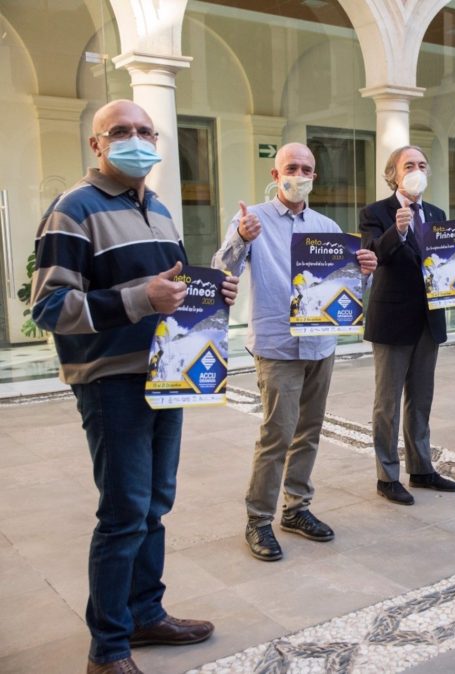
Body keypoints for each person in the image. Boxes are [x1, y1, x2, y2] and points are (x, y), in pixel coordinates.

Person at [31, 100, 238, 674]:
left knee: (153, 506)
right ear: (97, 145)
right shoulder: (73, 209)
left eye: (145, 131)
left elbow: (170, 287)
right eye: (120, 131)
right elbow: (48, 307)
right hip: (111, 382)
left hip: (167, 374)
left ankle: (146, 614)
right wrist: (139, 299)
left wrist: (208, 297)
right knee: (123, 513)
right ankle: (109, 649)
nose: (136, 139)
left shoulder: (160, 209)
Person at [212, 143, 377, 561]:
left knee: (309, 431)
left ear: (314, 177)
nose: (299, 174)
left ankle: (297, 509)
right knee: (277, 434)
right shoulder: (253, 220)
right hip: (277, 344)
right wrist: (240, 237)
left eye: (306, 169)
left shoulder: (325, 225)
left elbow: (346, 290)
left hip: (320, 343)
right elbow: (222, 268)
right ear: (275, 175)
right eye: (291, 168)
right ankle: (258, 519)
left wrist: (365, 273)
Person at [359, 145, 455, 505]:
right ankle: (387, 475)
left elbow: (444, 264)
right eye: (409, 164)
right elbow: (372, 256)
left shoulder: (437, 213)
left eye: (422, 164)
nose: (416, 169)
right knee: (387, 403)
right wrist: (395, 232)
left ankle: (422, 467)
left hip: (429, 319)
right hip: (392, 318)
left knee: (421, 398)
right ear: (393, 174)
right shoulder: (375, 212)